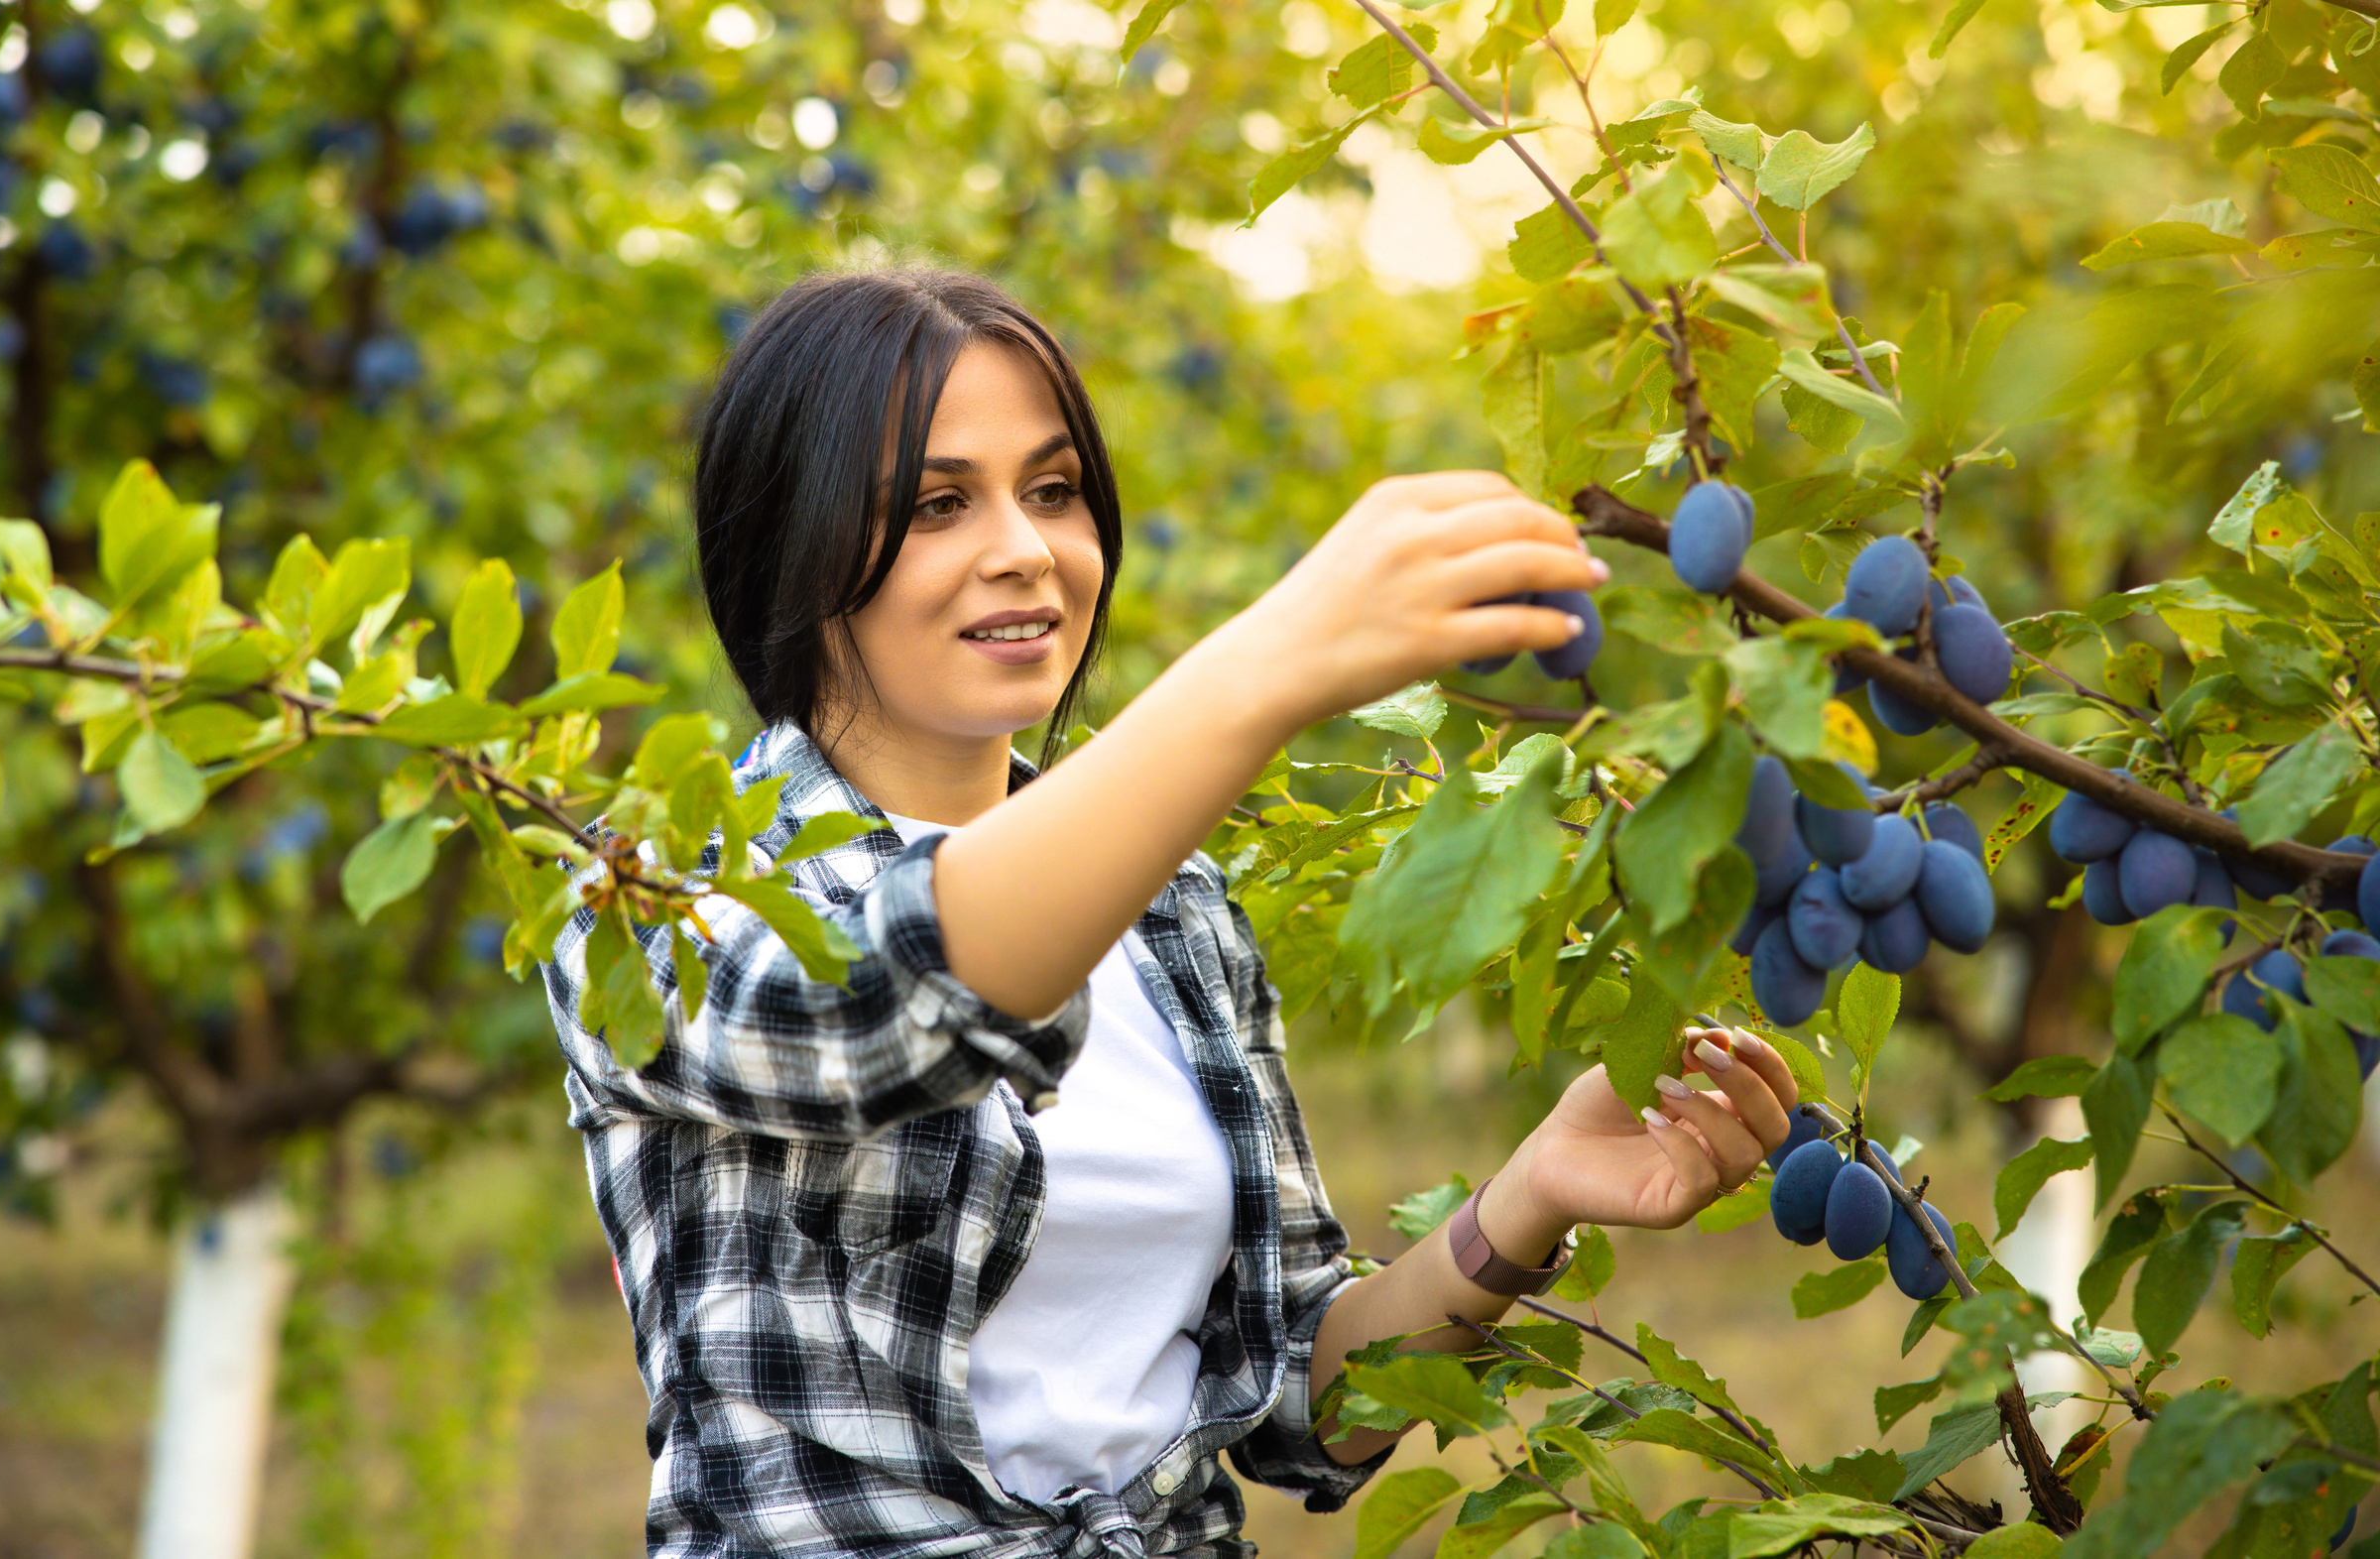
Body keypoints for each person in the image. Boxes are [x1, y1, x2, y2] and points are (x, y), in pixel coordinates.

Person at [545, 267, 1802, 1558]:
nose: (1026, 550)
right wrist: (1270, 663)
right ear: (789, 552)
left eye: (1053, 490)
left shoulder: (1174, 917)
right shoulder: (657, 900)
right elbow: (909, 1001)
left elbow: (1299, 1402)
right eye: (934, 505)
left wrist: (1531, 1197)